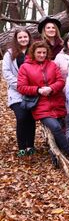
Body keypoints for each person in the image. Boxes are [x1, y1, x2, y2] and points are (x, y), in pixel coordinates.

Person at [17, 41, 69, 155]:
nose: (41, 55)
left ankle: (61, 152)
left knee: (64, 128)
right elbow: (21, 87)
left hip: (58, 103)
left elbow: (61, 81)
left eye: (44, 52)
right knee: (56, 127)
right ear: (33, 53)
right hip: (40, 105)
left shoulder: (52, 65)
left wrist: (51, 88)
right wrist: (38, 90)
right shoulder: (25, 67)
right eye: (39, 52)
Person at [2, 28, 36, 157]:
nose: (23, 39)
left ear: (29, 38)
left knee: (30, 118)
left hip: (32, 91)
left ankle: (30, 146)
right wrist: (20, 85)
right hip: (16, 92)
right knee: (21, 117)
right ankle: (22, 146)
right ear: (16, 39)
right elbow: (6, 72)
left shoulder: (33, 51)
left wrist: (32, 87)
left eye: (25, 37)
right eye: (20, 37)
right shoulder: (10, 53)